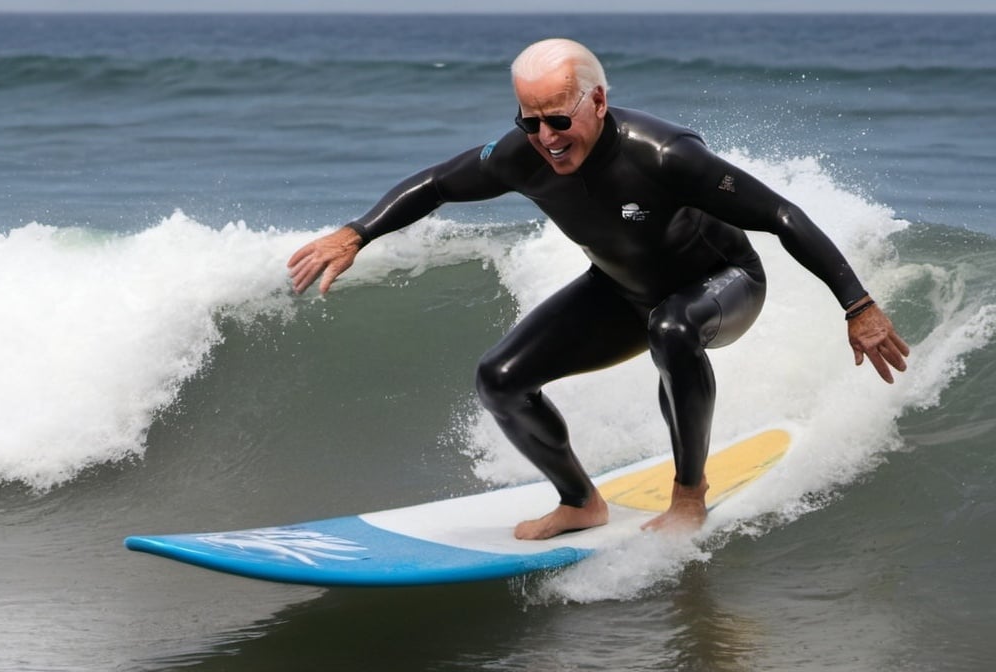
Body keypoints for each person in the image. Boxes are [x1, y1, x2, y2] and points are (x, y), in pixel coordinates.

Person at [288, 38, 909, 541]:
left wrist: (857, 304)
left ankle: (689, 498)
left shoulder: (665, 155)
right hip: (621, 290)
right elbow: (438, 184)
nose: (547, 137)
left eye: (560, 118)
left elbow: (780, 215)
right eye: (529, 121)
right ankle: (580, 503)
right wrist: (356, 233)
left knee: (673, 327)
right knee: (500, 378)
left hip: (722, 285)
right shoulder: (522, 155)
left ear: (598, 102)